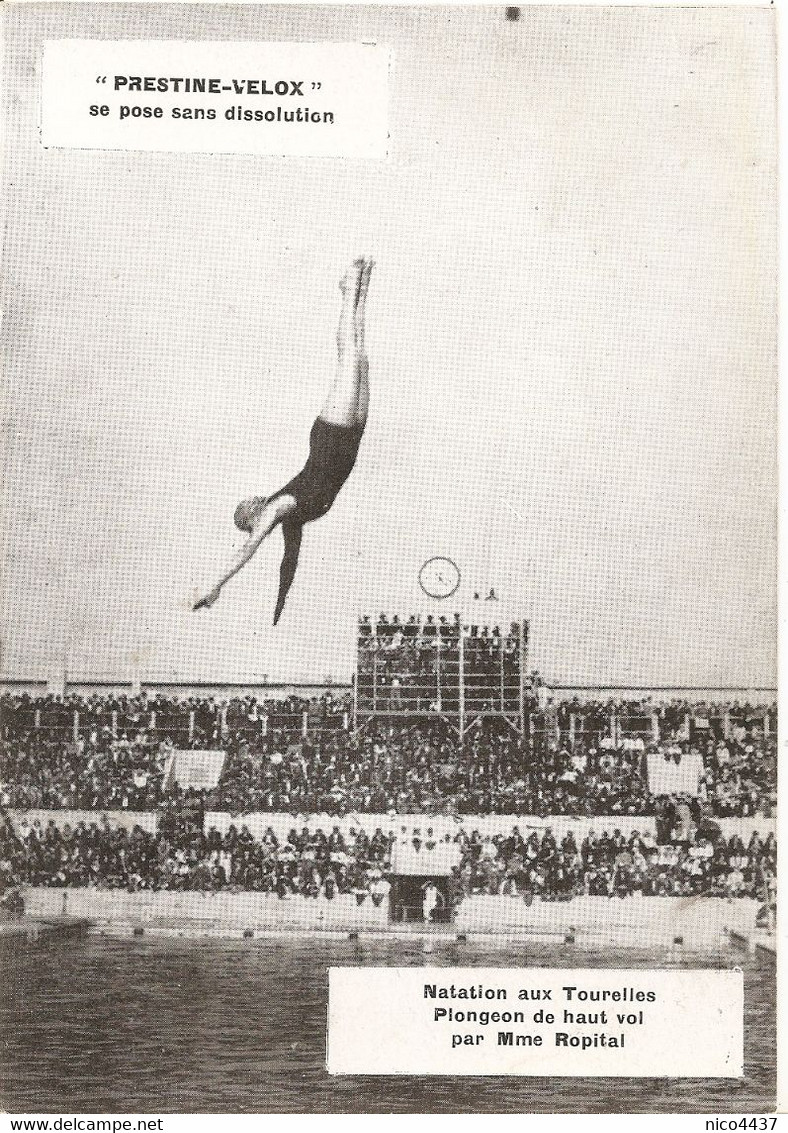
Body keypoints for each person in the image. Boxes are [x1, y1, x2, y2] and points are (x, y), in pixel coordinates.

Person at [193, 257, 374, 623]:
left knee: (350, 358)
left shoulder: (281, 506)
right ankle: (361, 290)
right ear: (252, 515)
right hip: (349, 442)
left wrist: (215, 585)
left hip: (330, 438)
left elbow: (248, 551)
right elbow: (287, 563)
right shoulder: (283, 518)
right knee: (361, 359)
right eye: (249, 504)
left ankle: (351, 291)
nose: (255, 498)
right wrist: (280, 603)